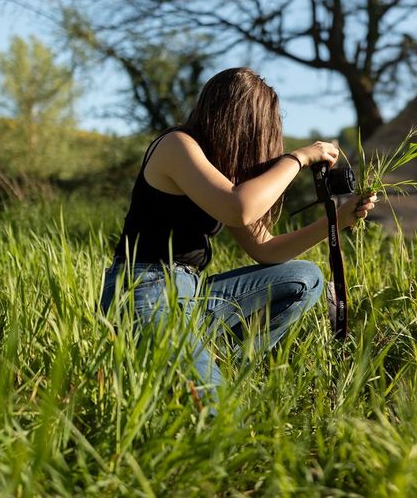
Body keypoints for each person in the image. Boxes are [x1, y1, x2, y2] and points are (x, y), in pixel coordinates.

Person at [98, 67, 377, 409]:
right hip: (145, 288)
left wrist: (338, 220)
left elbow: (266, 249)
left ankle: (219, 361)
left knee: (306, 277)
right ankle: (203, 376)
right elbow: (239, 208)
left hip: (193, 294)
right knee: (220, 412)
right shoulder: (176, 145)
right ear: (237, 119)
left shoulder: (221, 171)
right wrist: (298, 158)